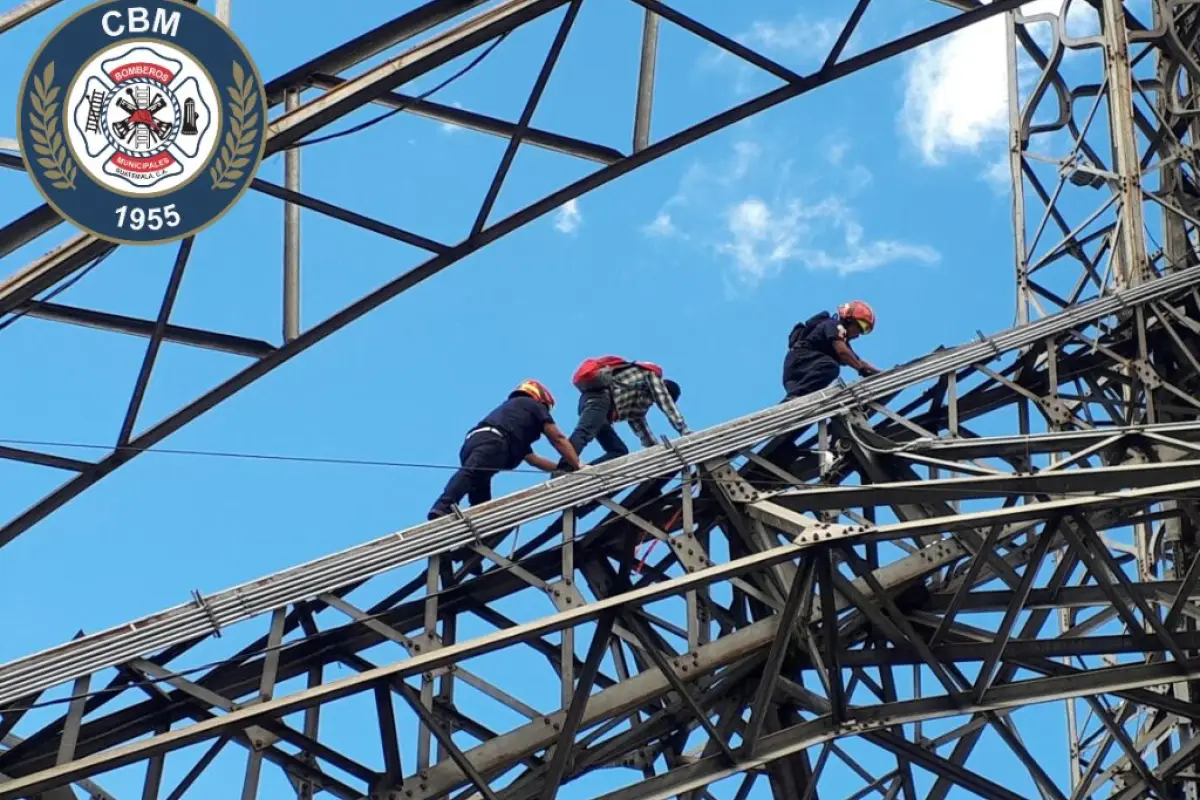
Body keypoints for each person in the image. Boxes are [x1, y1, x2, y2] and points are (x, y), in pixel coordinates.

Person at [428, 379, 582, 520]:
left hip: (476, 442)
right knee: (472, 473)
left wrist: (561, 468)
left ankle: (479, 526)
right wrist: (577, 465)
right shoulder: (533, 405)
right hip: (494, 443)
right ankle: (443, 506)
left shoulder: (512, 416)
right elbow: (558, 438)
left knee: (479, 494)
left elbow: (533, 460)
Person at [559, 356, 690, 468]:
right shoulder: (651, 375)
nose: (653, 402)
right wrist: (684, 431)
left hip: (597, 407)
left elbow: (641, 427)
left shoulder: (639, 399)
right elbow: (666, 402)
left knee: (619, 451)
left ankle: (585, 473)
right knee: (584, 432)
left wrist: (655, 451)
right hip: (599, 398)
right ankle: (564, 468)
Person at [782, 300, 881, 400]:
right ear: (849, 319)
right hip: (802, 361)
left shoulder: (841, 340)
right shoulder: (834, 326)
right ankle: (798, 397)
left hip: (796, 371)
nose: (859, 333)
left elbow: (859, 362)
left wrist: (880, 373)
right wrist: (861, 370)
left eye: (864, 330)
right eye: (861, 326)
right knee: (831, 367)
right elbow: (843, 353)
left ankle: (793, 402)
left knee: (798, 400)